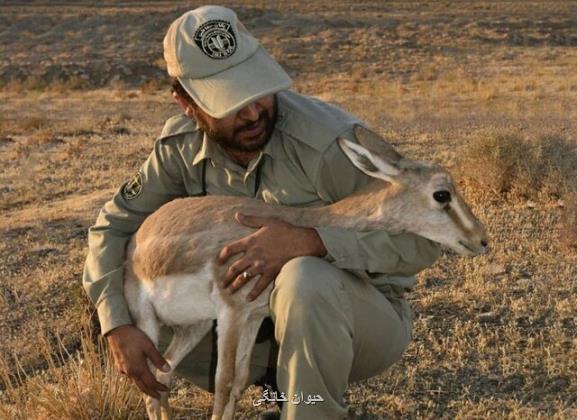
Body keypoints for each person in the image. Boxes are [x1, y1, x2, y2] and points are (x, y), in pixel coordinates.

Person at [82, 5, 440, 420]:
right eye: (230, 102)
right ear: (185, 103)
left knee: (304, 277)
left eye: (257, 91)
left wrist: (315, 242)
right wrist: (116, 324)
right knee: (131, 296)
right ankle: (279, 393)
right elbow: (111, 228)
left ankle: (311, 410)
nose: (253, 113)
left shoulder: (327, 144)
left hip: (358, 317)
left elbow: (422, 241)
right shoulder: (178, 149)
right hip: (250, 320)